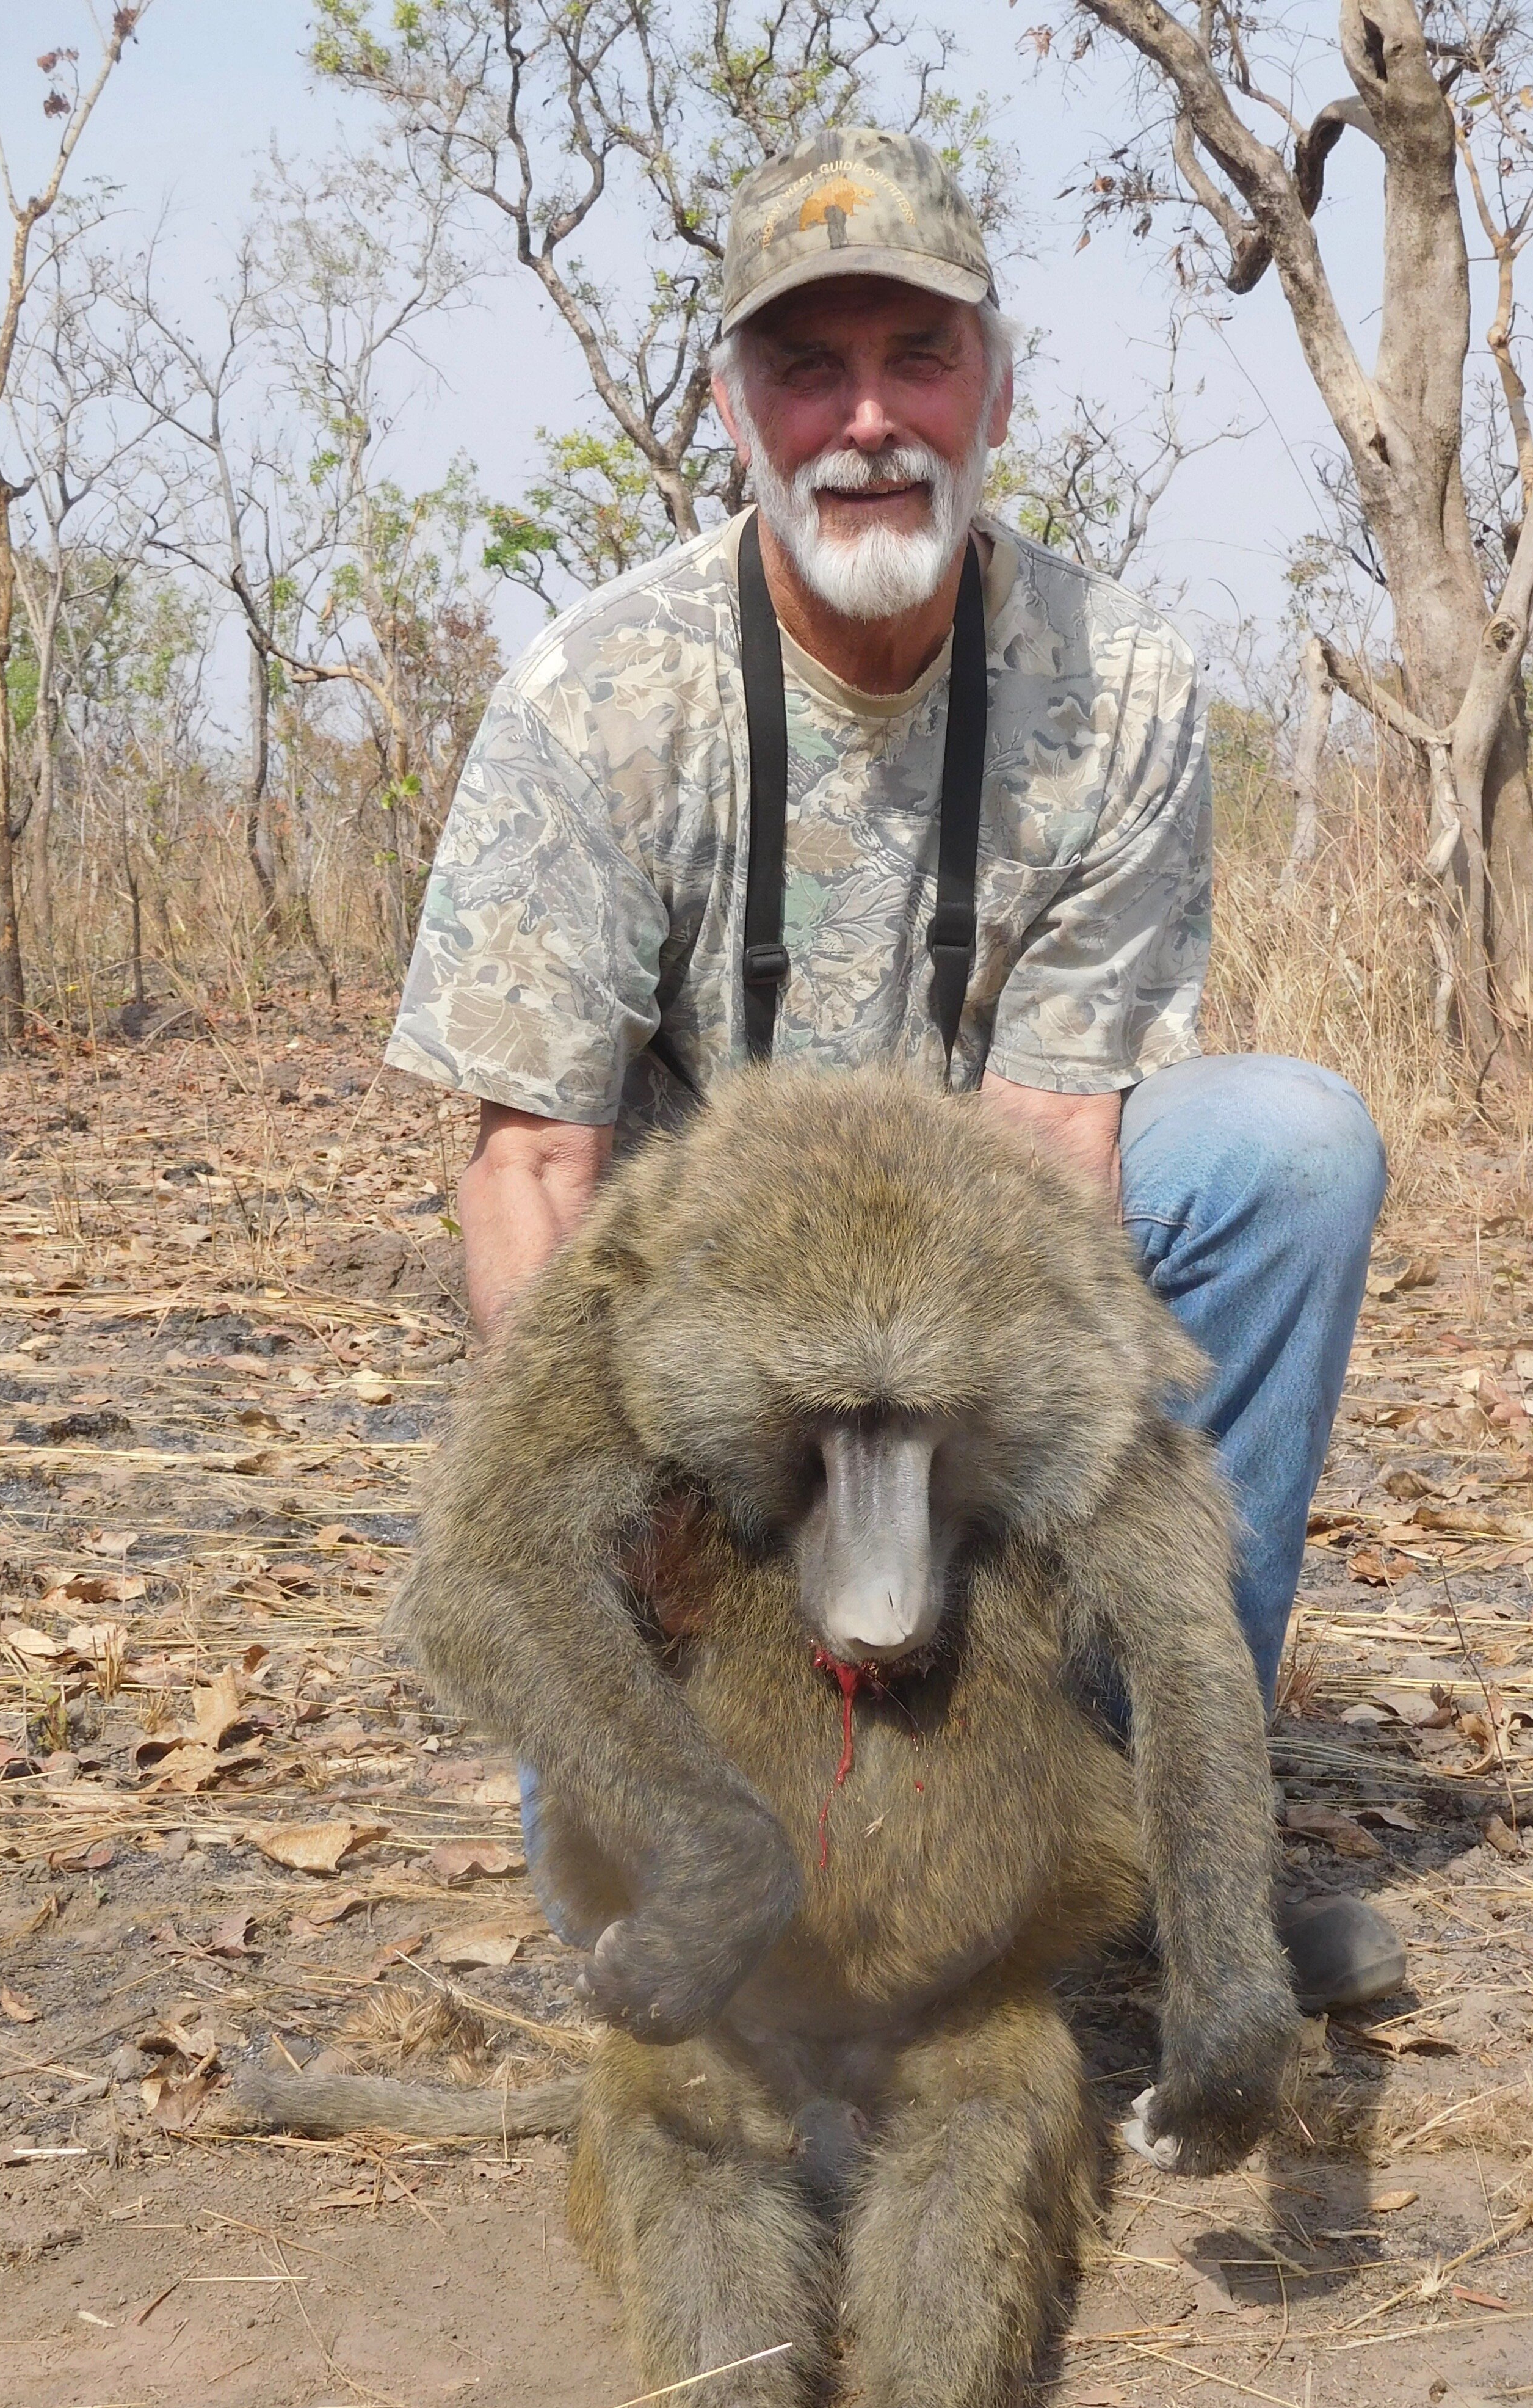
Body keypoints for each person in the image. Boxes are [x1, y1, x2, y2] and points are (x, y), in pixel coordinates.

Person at [385, 126, 1400, 2010]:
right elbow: (533, 1174)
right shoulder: (598, 695)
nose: (868, 419)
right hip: (723, 1363)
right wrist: (662, 1544)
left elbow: (1059, 1148)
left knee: (1287, 1150)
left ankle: (1169, 1854)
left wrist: (1009, 1554)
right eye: (808, 366)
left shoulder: (1121, 682)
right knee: (697, 1931)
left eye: (916, 358)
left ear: (996, 385)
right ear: (732, 405)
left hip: (963, 1317)